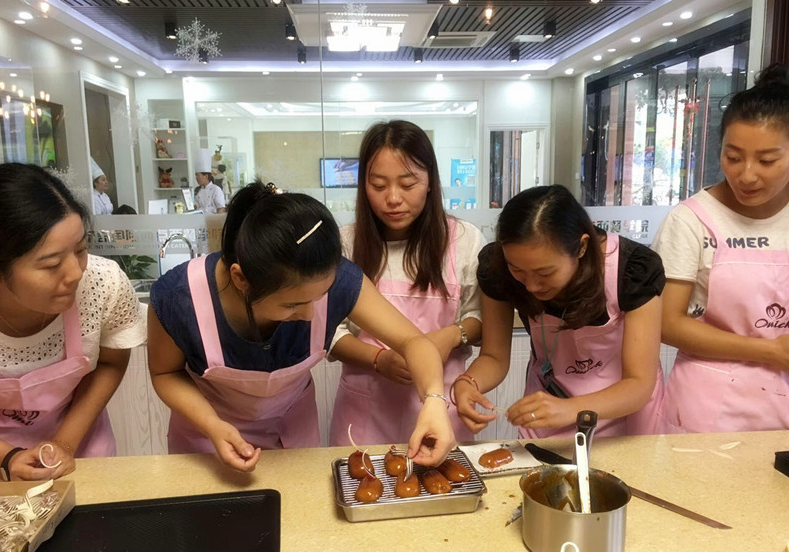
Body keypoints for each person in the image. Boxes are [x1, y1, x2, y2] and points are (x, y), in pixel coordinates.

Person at [147, 181, 455, 472]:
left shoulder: (338, 279)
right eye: (292, 305)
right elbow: (165, 373)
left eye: (320, 297)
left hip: (293, 436)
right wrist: (212, 425)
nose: (310, 314)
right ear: (241, 279)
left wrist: (434, 400)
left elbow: (415, 343)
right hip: (207, 439)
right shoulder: (178, 298)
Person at [454, 185, 666, 438]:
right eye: (518, 270)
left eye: (545, 273)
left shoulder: (633, 270)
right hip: (548, 407)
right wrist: (468, 382)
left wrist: (570, 409)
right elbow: (494, 357)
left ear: (581, 247)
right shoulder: (497, 268)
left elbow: (639, 383)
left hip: (623, 412)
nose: (532, 286)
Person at [328, 120, 485, 445]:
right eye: (378, 185)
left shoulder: (464, 240)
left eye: (407, 183)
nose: (393, 198)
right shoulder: (345, 243)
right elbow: (329, 331)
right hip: (365, 412)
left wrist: (450, 336)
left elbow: (482, 318)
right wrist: (378, 359)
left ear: (430, 182)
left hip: (442, 404)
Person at [652, 63, 789, 433]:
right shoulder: (691, 220)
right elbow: (667, 323)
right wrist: (771, 351)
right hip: (709, 408)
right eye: (733, 156)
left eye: (767, 160)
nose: (747, 174)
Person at [0, 163, 146, 480]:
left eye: (80, 250)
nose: (75, 273)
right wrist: (6, 457)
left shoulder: (101, 283)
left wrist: (63, 443)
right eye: (51, 264)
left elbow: (110, 363)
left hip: (80, 447)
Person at [194, 148, 225, 214]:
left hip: (212, 219)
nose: (196, 178)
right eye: (196, 176)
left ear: (206, 176)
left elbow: (220, 209)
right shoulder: (197, 190)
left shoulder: (216, 189)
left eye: (198, 175)